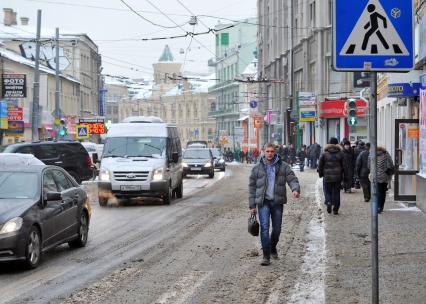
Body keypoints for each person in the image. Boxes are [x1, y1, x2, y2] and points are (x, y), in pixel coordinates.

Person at [249, 143, 301, 266]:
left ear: (275, 152)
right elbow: (252, 187)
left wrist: (295, 189)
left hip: (277, 202)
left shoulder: (283, 166)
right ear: (263, 152)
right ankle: (266, 255)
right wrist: (252, 206)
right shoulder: (257, 168)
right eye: (267, 151)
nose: (270, 154)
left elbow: (292, 179)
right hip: (263, 202)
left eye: (272, 151)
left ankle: (272, 247)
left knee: (277, 229)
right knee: (265, 228)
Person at [318, 137, 345, 215]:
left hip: (327, 176)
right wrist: (344, 176)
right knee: (336, 192)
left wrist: (321, 174)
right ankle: (336, 209)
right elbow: (344, 166)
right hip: (337, 177)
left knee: (327, 191)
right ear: (337, 144)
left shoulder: (324, 153)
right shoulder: (341, 153)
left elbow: (320, 165)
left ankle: (329, 201)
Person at [369, 146, 394, 213]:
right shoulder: (386, 154)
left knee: (375, 192)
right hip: (384, 176)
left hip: (375, 176)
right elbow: (391, 165)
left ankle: (376, 207)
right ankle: (380, 207)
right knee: (382, 192)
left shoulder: (371, 155)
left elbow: (368, 166)